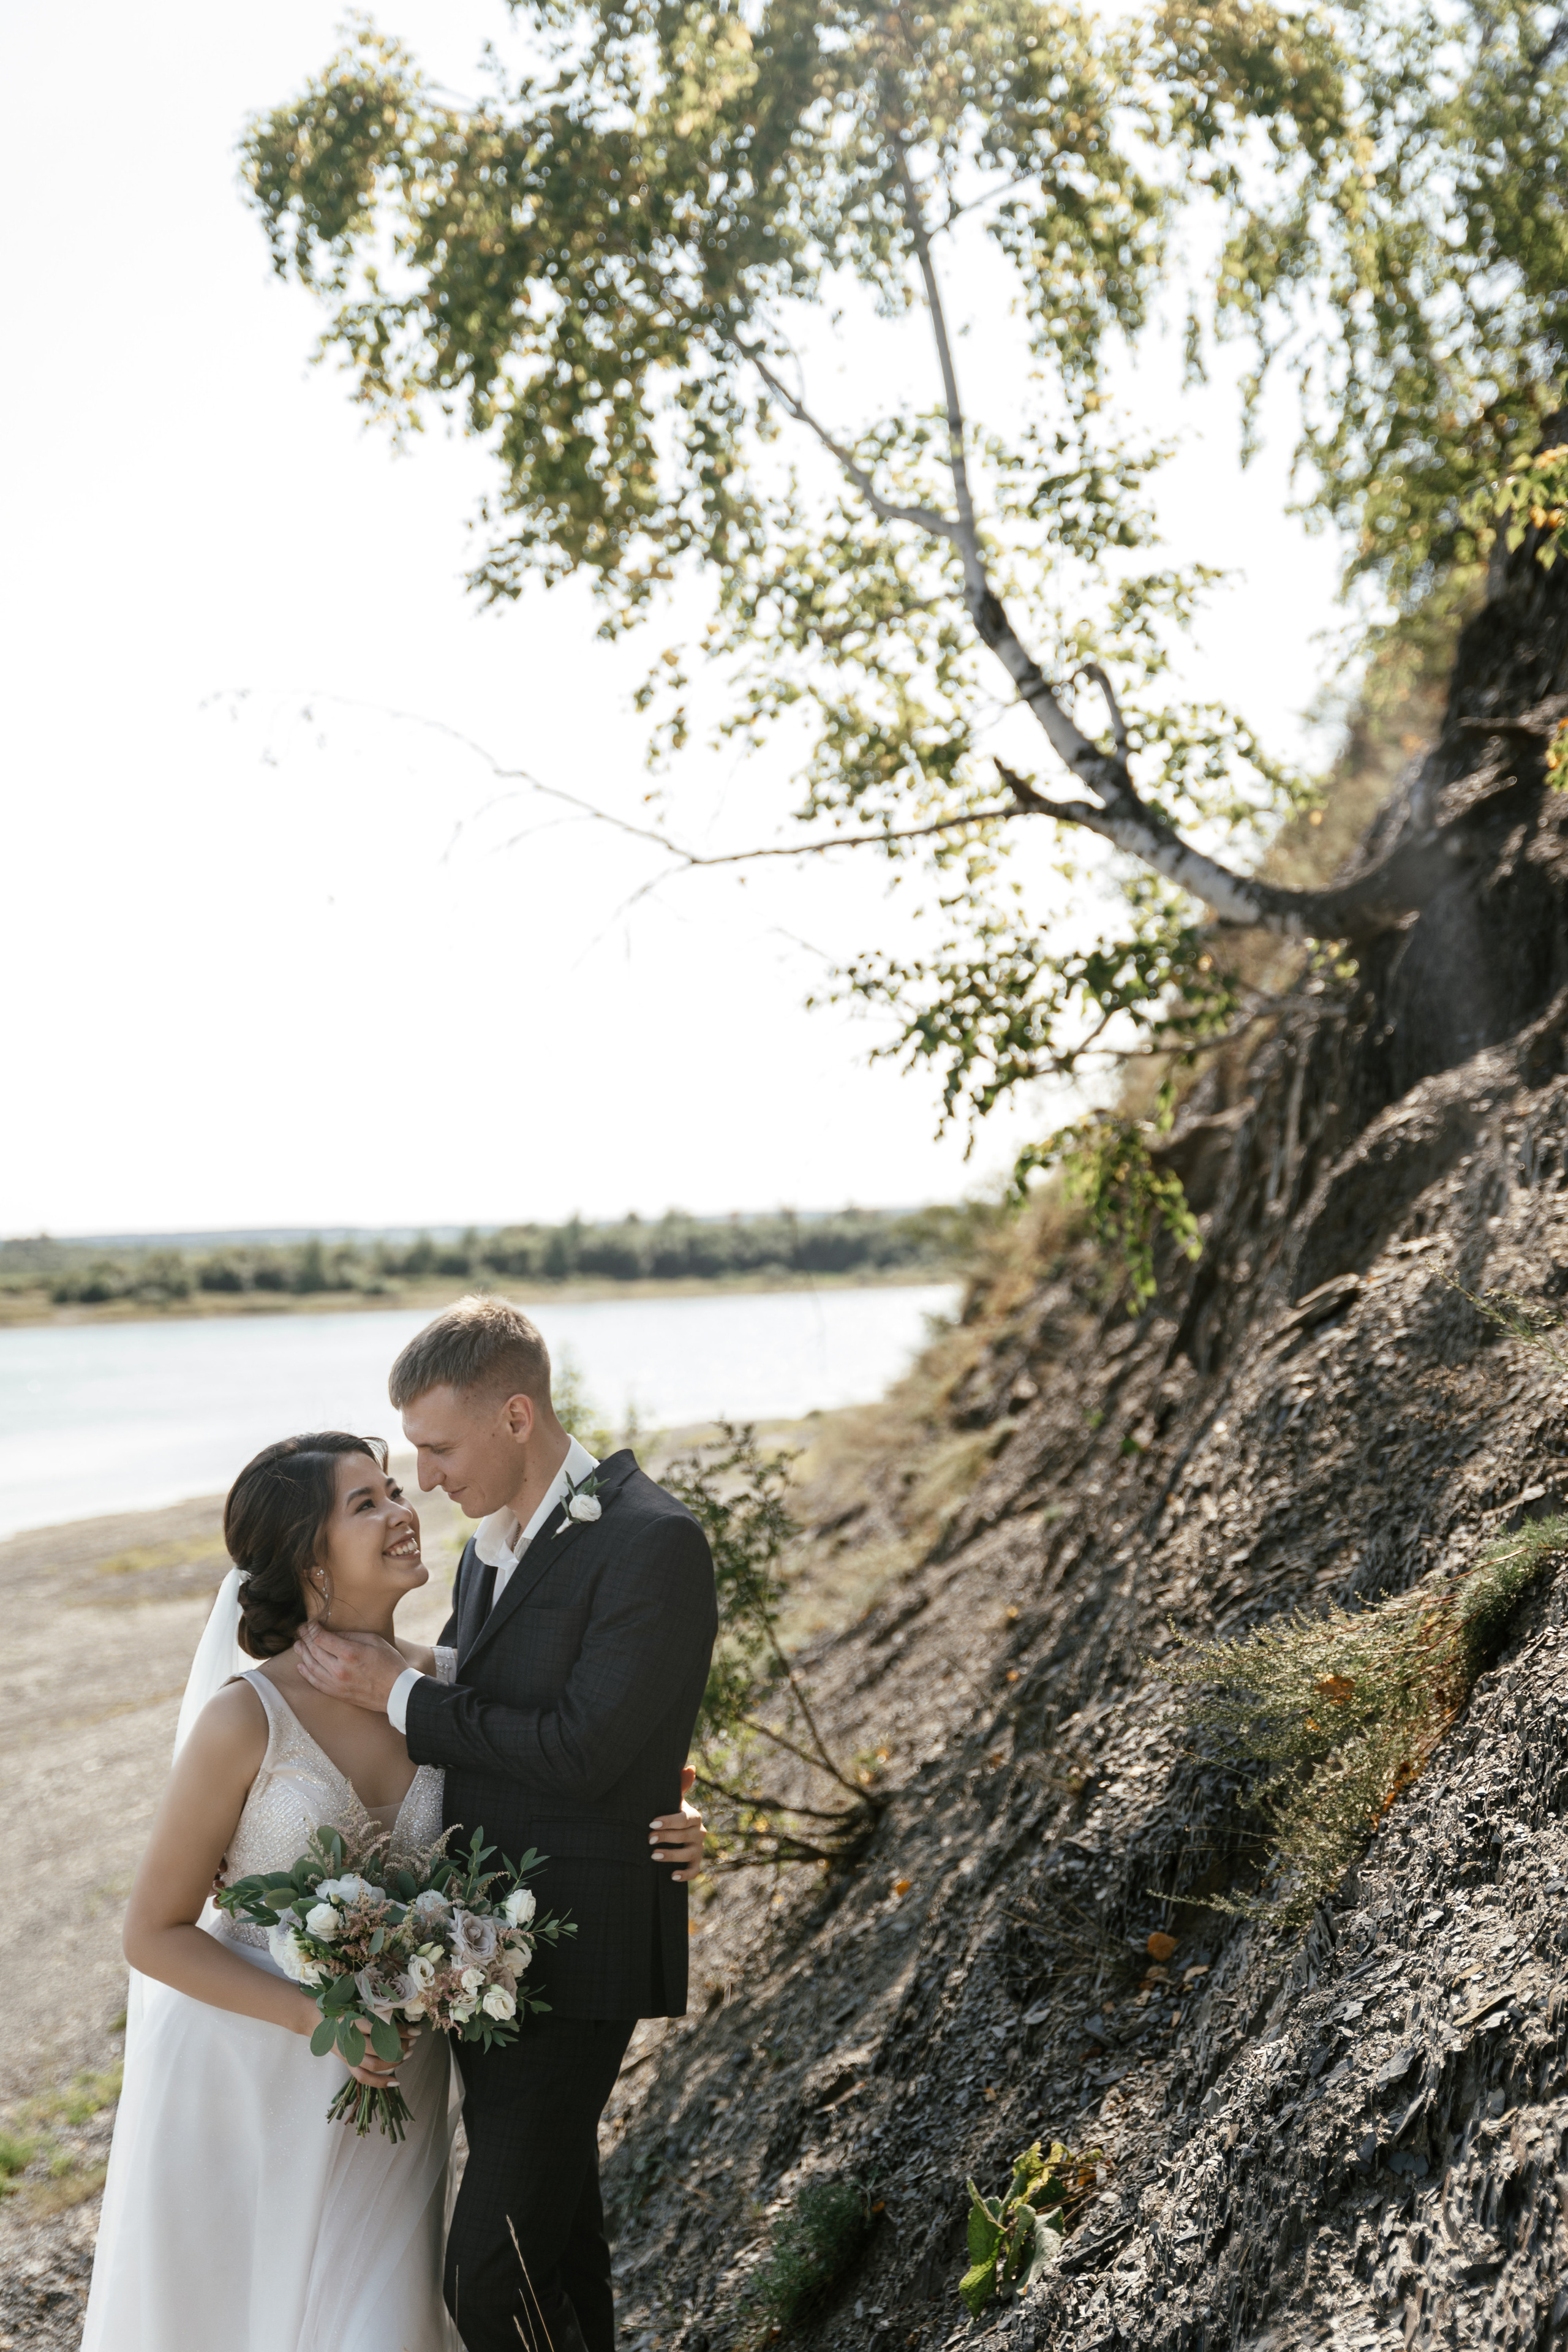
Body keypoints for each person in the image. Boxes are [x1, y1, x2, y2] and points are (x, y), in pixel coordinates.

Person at [81, 1424, 706, 2352]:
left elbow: (580, 1769)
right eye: (366, 1502)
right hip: (247, 2081)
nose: (405, 1510)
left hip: (399, 2093)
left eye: (397, 1491)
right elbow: (154, 1933)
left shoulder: (454, 1685)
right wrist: (320, 2019)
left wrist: (679, 1825)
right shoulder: (245, 1717)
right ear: (309, 1561)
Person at [294, 1297, 718, 2352]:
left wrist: (397, 1693)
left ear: (517, 1415)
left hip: (582, 1948)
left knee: (487, 2278)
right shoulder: (492, 1546)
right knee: (559, 2244)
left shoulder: (652, 1540)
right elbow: (500, 1705)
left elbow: (583, 1747)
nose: (425, 1479)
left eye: (438, 1448)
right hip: (492, 1951)